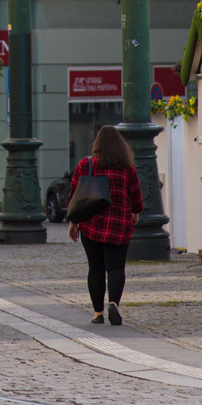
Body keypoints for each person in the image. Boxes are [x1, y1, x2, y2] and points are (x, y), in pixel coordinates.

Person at [68, 125, 143, 325]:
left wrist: (73, 222)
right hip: (119, 225)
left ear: (97, 143)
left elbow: (75, 194)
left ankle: (98, 313)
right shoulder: (127, 166)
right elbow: (135, 194)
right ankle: (114, 303)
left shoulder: (86, 164)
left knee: (95, 269)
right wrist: (135, 212)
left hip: (91, 224)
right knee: (116, 268)